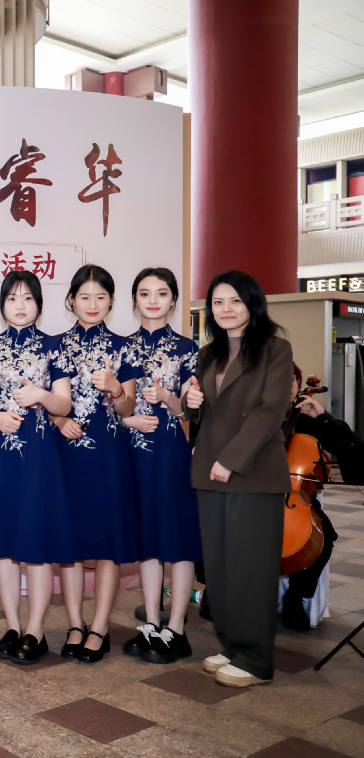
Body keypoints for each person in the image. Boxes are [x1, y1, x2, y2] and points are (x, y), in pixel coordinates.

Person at [184, 269, 292, 688]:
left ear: (252, 304)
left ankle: (256, 659)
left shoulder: (274, 348)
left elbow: (270, 411)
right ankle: (232, 645)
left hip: (252, 472)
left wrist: (230, 460)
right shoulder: (207, 354)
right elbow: (203, 413)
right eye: (217, 302)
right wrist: (192, 402)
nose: (225, 309)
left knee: (251, 568)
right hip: (210, 472)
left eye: (235, 301)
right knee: (221, 569)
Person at [0, 270, 75, 665]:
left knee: (36, 546)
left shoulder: (55, 346)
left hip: (40, 458)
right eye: (12, 298)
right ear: (2, 304)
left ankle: (36, 631)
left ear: (39, 304)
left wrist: (40, 395)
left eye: (28, 297)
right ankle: (12, 626)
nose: (20, 305)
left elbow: (64, 404)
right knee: (4, 545)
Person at [53, 264, 142, 663]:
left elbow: (128, 408)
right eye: (84, 296)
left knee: (107, 544)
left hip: (109, 457)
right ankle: (75, 623)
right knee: (69, 543)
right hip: (65, 456)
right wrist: (60, 421)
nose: (92, 304)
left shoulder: (125, 348)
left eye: (101, 297)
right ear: (71, 300)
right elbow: (47, 402)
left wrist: (117, 388)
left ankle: (101, 626)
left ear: (111, 301)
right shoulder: (55, 346)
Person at [121, 267, 201, 664]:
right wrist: (128, 420)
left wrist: (168, 397)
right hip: (133, 456)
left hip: (171, 455)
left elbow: (189, 411)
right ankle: (152, 623)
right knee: (148, 540)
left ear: (173, 300)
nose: (153, 300)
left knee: (178, 541)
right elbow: (110, 407)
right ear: (135, 300)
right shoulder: (122, 348)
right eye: (145, 293)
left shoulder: (187, 349)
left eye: (162, 293)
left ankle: (178, 628)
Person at [279, 362, 346, 631]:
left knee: (324, 537)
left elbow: (345, 444)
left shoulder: (307, 421)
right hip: (258, 497)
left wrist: (323, 417)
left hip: (296, 498)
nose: (288, 385)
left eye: (293, 380)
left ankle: (296, 596)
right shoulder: (260, 417)